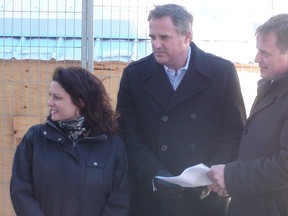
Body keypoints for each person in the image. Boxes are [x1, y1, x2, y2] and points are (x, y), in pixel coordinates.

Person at [116, 4, 246, 216]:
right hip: (153, 193)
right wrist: (155, 174)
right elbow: (127, 133)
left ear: (187, 36)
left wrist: (210, 173)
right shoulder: (135, 75)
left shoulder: (221, 72)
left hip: (204, 195)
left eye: (164, 37)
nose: (156, 44)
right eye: (152, 37)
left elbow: (235, 131)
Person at [10, 66, 130, 216]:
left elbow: (119, 198)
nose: (49, 103)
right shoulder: (35, 138)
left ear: (80, 102)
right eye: (50, 95)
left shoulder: (111, 144)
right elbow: (20, 188)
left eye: (57, 97)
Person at [207, 14, 288, 216]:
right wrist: (232, 182)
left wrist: (232, 177)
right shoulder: (272, 86)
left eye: (265, 52)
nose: (256, 59)